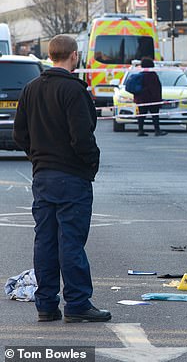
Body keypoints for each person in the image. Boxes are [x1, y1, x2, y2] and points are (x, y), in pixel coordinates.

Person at [12, 34, 111, 323]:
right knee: (70, 242)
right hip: (71, 177)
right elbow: (82, 136)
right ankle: (78, 303)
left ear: (50, 55)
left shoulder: (30, 89)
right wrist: (91, 162)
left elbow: (20, 134)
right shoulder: (73, 90)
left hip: (43, 176)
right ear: (74, 56)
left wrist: (38, 156)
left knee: (45, 241)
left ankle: (46, 304)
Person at [135, 58, 167, 137]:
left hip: (142, 99)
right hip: (152, 99)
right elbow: (156, 88)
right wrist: (159, 100)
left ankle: (140, 130)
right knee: (155, 115)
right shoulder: (152, 75)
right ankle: (157, 130)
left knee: (142, 115)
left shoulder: (140, 74)